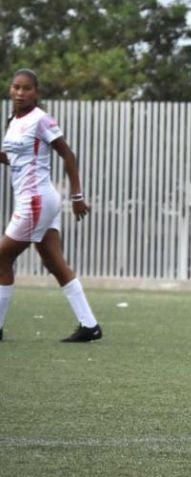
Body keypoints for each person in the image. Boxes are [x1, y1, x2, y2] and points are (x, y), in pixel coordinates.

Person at [0, 69, 100, 343]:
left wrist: (77, 196)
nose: (20, 93)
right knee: (54, 262)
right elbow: (16, 159)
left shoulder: (40, 119)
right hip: (37, 200)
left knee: (2, 258)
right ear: (10, 89)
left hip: (36, 200)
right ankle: (89, 325)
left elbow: (67, 153)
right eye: (16, 87)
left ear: (37, 92)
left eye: (26, 88)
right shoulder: (14, 120)